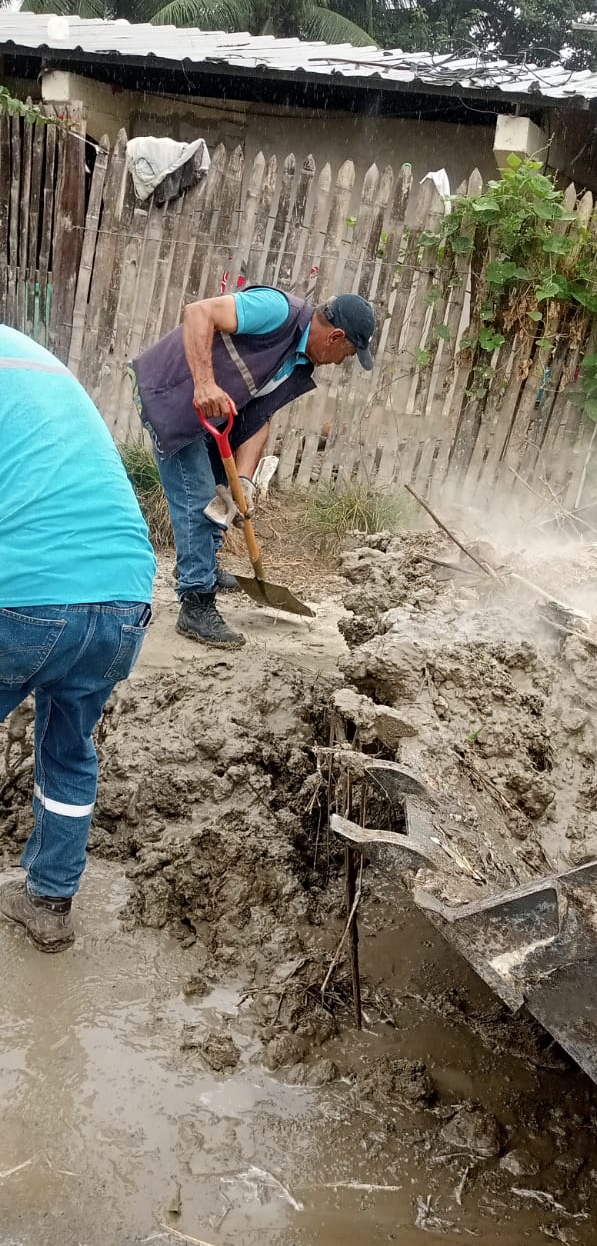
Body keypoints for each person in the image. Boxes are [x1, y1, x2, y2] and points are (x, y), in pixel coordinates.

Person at [0, 325, 156, 953]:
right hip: (125, 599)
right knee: (69, 750)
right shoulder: (35, 363)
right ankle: (49, 904)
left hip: (30, 597)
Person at [131, 287, 375, 648]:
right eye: (348, 354)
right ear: (336, 337)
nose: (341, 363)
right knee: (199, 501)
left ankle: (200, 565)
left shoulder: (299, 362)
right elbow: (198, 312)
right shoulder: (277, 311)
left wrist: (243, 480)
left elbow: (260, 418)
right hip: (171, 396)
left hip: (210, 418)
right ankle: (196, 604)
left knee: (223, 500)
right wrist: (204, 384)